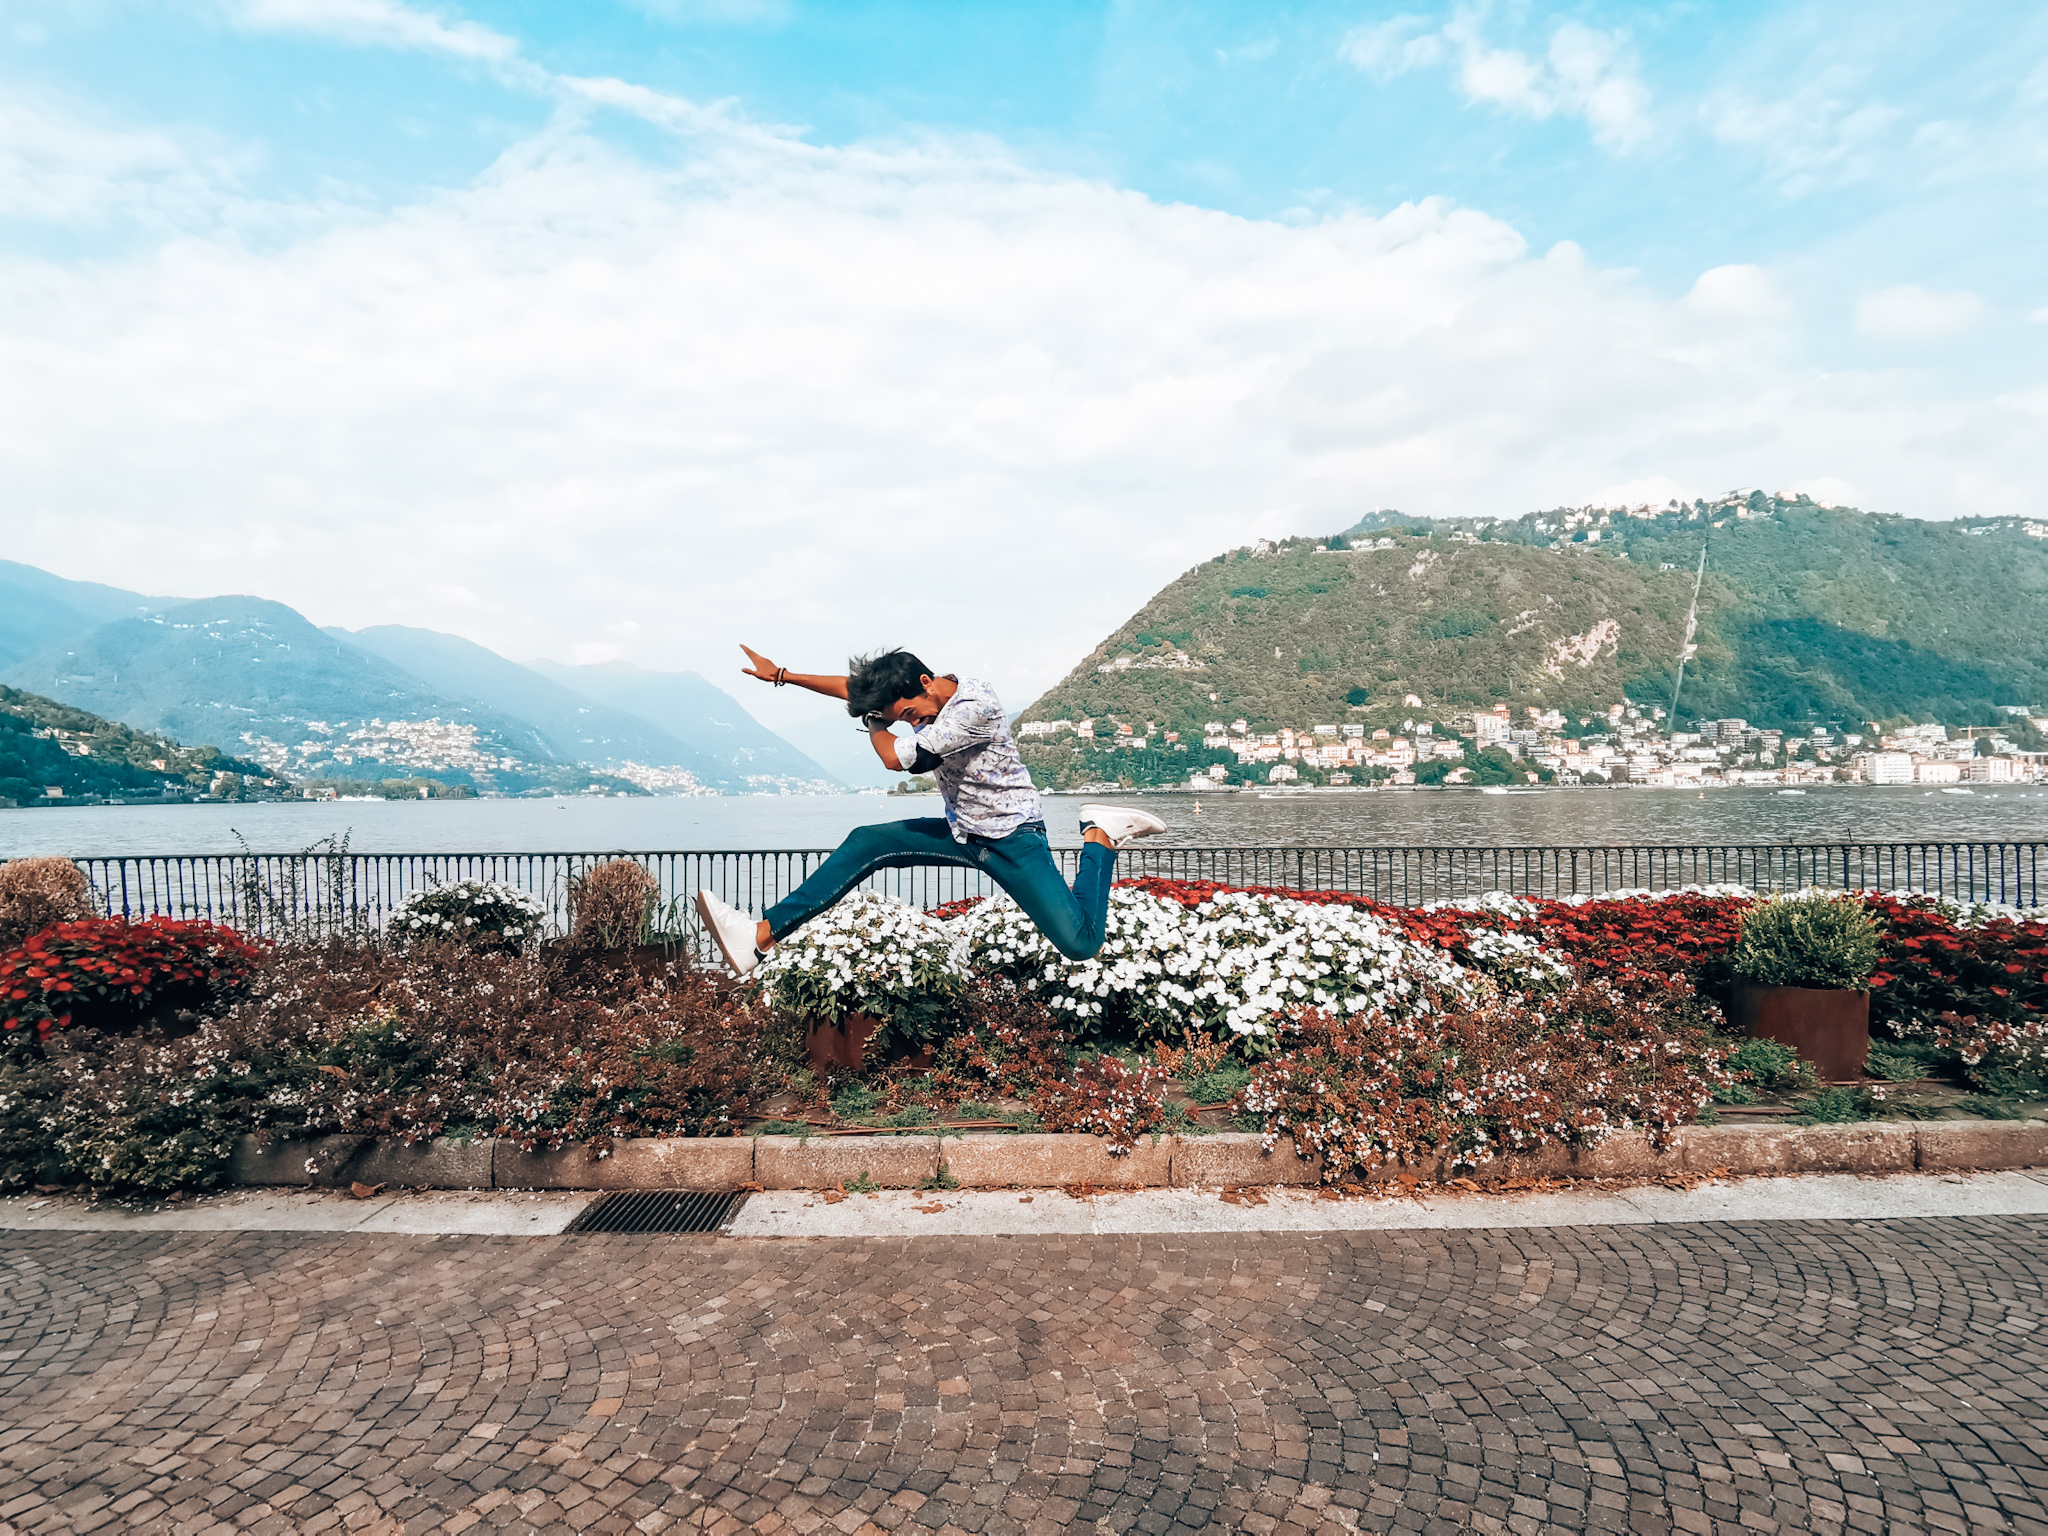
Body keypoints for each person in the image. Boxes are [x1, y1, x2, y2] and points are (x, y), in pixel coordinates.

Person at [693, 645, 1165, 974]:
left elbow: (897, 759)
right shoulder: (922, 695)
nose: (912, 721)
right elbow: (851, 689)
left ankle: (1100, 835)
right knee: (866, 841)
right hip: (963, 833)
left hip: (1011, 838)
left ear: (925, 682)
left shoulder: (973, 708)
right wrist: (782, 676)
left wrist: (875, 721)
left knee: (1080, 944)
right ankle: (759, 937)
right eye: (903, 717)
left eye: (910, 714)